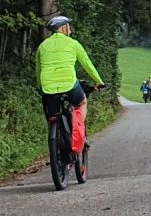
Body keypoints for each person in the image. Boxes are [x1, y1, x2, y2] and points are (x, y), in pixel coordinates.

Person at [35, 15, 105, 172]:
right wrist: (99, 82)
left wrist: (40, 86)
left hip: (48, 87)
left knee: (51, 115)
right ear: (64, 28)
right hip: (69, 85)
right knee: (82, 102)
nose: (71, 30)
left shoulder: (42, 46)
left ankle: (55, 138)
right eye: (69, 27)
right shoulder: (73, 44)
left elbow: (38, 70)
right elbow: (87, 64)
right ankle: (78, 129)